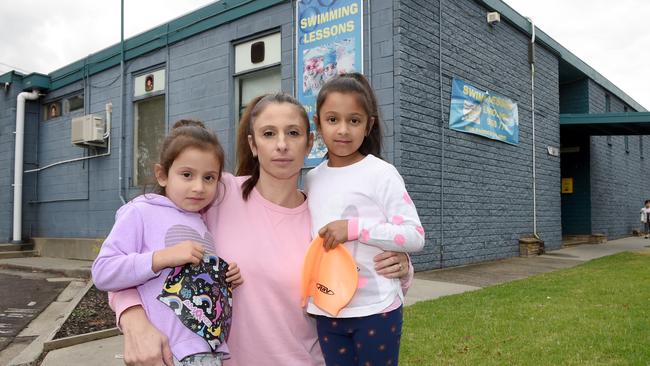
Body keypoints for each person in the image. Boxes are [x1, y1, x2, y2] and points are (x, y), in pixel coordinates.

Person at [110, 93, 413, 366]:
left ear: (309, 142)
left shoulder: (323, 215)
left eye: (293, 133)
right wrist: (134, 319)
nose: (282, 144)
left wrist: (402, 266)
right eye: (269, 134)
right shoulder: (217, 191)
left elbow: (364, 271)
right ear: (253, 144)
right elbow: (130, 255)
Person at [92, 120, 242, 365]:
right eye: (186, 175)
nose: (198, 187)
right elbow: (103, 272)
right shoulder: (140, 211)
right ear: (162, 175)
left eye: (209, 178)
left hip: (208, 352)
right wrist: (161, 258)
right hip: (167, 353)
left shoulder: (201, 220)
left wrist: (225, 279)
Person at [304, 73, 425, 366]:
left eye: (354, 121)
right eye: (332, 120)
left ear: (368, 125)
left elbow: (414, 235)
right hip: (327, 307)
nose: (343, 130)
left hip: (377, 306)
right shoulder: (312, 179)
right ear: (318, 124)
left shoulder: (381, 173)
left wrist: (355, 230)